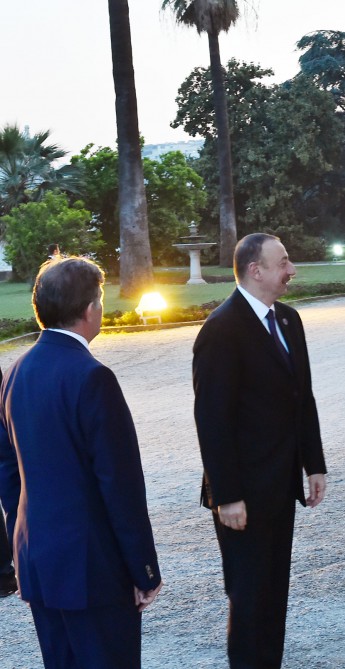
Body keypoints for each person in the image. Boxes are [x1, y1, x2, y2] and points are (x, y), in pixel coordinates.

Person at [0, 257, 162, 668]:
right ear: (90, 310)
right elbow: (120, 485)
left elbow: (7, 473)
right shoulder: (92, 377)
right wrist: (144, 570)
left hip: (40, 561)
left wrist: (23, 549)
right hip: (94, 571)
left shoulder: (15, 373)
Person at [192, 233, 327, 668]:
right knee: (249, 598)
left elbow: (302, 397)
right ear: (256, 270)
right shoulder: (221, 330)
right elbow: (212, 421)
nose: (292, 270)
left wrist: (315, 464)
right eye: (284, 261)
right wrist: (227, 495)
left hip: (280, 485)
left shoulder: (288, 320)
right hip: (243, 496)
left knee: (274, 592)